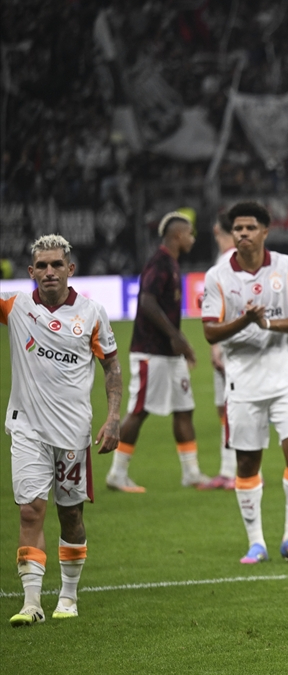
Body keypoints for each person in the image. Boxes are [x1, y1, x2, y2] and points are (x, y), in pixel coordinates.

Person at [4, 234, 121, 625]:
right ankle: (31, 603)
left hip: (73, 432)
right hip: (27, 428)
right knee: (29, 510)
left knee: (70, 515)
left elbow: (112, 368)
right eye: (42, 265)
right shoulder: (17, 306)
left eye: (57, 265)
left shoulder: (91, 313)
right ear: (31, 271)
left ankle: (68, 597)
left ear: (71, 269)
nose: (49, 271)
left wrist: (114, 416)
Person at [201, 201, 288, 564]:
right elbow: (209, 331)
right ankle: (256, 542)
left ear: (265, 231)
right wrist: (245, 321)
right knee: (248, 462)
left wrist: (268, 324)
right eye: (238, 229)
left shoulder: (287, 266)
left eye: (250, 228)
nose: (243, 234)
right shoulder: (218, 276)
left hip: (287, 375)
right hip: (243, 381)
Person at [106, 212, 206, 493]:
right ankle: (117, 473)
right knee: (138, 411)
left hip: (170, 354)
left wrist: (181, 343)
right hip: (151, 352)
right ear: (177, 236)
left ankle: (191, 473)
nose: (192, 238)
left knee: (185, 409)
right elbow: (146, 302)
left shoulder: (171, 263)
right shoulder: (159, 262)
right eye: (189, 233)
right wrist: (175, 337)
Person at [198, 219, 238, 491]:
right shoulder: (231, 261)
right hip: (232, 341)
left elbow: (216, 307)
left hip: (229, 343)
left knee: (232, 407)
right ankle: (232, 469)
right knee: (227, 408)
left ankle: (233, 472)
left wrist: (215, 348)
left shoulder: (225, 263)